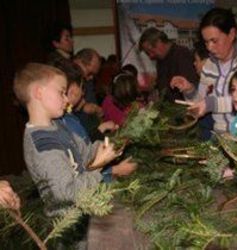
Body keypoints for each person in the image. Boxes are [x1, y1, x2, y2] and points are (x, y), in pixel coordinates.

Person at [13, 63, 137, 216]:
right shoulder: (42, 143)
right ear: (39, 93)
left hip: (86, 208)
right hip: (69, 224)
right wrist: (99, 164)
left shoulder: (58, 124)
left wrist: (107, 147)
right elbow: (66, 193)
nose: (66, 99)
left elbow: (84, 153)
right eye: (61, 93)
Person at [171, 7, 237, 133]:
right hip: (219, 135)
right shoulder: (209, 66)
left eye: (214, 40)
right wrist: (189, 90)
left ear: (232, 34)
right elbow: (201, 102)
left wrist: (212, 103)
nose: (210, 48)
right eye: (206, 42)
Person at [138, 27, 199, 102]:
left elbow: (191, 86)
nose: (150, 56)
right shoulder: (160, 60)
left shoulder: (181, 54)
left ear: (159, 42)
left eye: (150, 51)